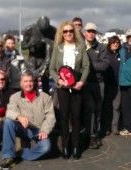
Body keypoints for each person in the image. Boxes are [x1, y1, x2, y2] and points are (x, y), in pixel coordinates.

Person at [49, 21, 89, 160]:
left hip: (77, 88)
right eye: (65, 31)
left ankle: (76, 146)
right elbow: (52, 68)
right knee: (64, 118)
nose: (68, 33)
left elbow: (86, 67)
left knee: (76, 118)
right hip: (63, 88)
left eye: (70, 31)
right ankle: (66, 146)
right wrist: (58, 80)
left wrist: (81, 82)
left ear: (74, 32)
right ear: (62, 33)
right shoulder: (57, 47)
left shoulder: (81, 46)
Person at [0, 72, 56, 169]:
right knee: (8, 121)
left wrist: (45, 130)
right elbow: (9, 111)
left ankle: (20, 154)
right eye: (25, 81)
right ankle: (8, 156)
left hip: (38, 130)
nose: (28, 84)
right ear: (21, 83)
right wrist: (19, 116)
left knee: (45, 148)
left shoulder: (44, 97)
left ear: (34, 82)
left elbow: (50, 116)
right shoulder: (15, 97)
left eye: (30, 81)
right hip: (23, 128)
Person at [82, 23, 109, 149]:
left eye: (93, 31)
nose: (91, 33)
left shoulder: (101, 47)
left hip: (98, 83)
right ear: (84, 33)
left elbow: (104, 65)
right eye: (89, 31)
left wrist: (88, 64)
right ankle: (89, 134)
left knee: (98, 110)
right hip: (84, 84)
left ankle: (94, 134)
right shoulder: (80, 47)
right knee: (88, 110)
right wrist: (95, 64)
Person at [21, 16, 55, 93]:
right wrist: (32, 44)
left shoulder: (53, 31)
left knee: (45, 79)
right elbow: (23, 46)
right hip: (33, 56)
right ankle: (31, 95)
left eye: (45, 30)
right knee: (31, 77)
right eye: (42, 29)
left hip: (45, 56)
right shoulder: (29, 29)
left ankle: (45, 97)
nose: (43, 32)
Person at [101, 36, 122, 136]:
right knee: (107, 107)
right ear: (110, 43)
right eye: (114, 42)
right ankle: (106, 127)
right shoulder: (106, 54)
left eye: (117, 43)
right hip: (107, 84)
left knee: (116, 106)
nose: (115, 44)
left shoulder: (120, 54)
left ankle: (115, 127)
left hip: (118, 84)